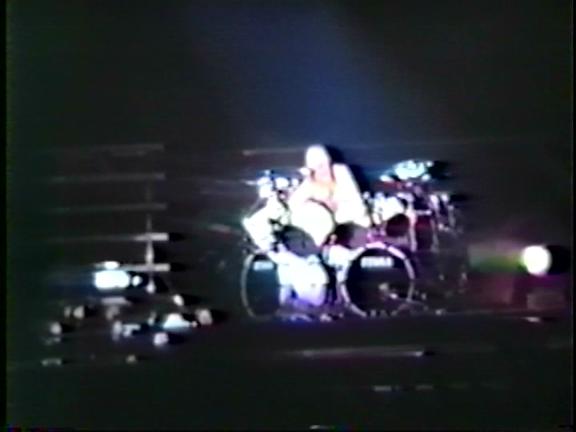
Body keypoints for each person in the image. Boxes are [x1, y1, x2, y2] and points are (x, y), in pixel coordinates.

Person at [242, 144, 371, 314]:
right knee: (256, 221)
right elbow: (292, 206)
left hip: (331, 230)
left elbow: (358, 208)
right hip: (311, 233)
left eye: (325, 164)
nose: (323, 170)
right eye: (318, 167)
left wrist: (334, 214)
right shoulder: (309, 185)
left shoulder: (340, 173)